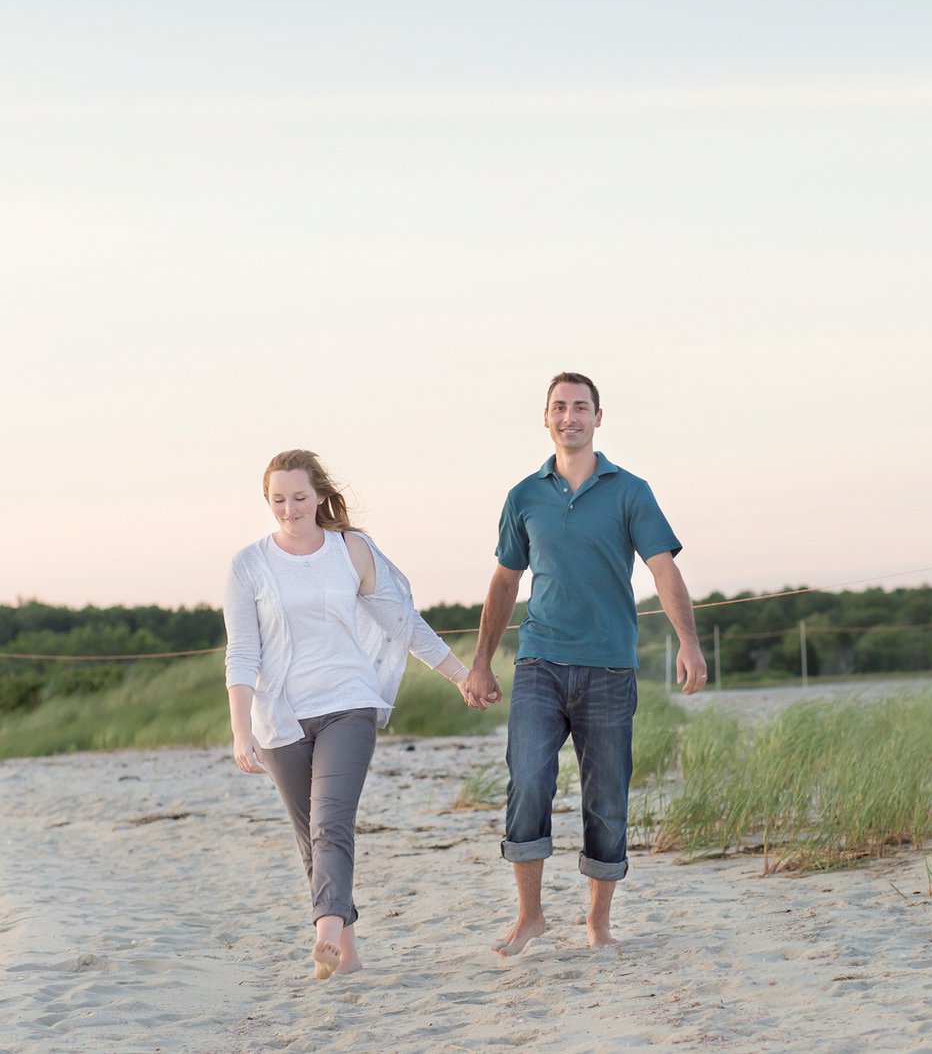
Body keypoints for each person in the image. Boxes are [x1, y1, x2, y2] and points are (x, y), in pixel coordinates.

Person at [464, 372, 708, 955]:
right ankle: (531, 917)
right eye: (559, 407)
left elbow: (663, 569)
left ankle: (598, 924)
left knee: (606, 798)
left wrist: (689, 642)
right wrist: (480, 663)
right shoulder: (524, 495)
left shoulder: (630, 490)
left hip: (609, 668)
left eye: (580, 407)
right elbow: (503, 582)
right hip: (539, 663)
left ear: (599, 417)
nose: (569, 416)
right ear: (545, 418)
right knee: (527, 781)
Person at [223, 448, 471, 980]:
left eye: (299, 498)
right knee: (310, 836)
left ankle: (326, 933)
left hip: (347, 704)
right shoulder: (248, 565)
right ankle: (348, 956)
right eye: (278, 500)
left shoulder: (350, 550)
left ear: (319, 495)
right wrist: (241, 730)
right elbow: (242, 652)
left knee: (331, 823)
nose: (289, 509)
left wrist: (460, 675)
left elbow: (403, 623)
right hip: (280, 720)